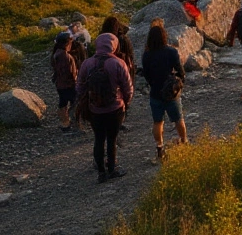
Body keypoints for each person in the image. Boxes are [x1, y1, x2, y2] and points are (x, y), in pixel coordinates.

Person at [76, 33, 133, 183]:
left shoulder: (87, 64)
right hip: (115, 108)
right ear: (113, 45)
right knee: (112, 139)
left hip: (95, 109)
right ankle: (112, 169)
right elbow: (128, 88)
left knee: (98, 139)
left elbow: (80, 86)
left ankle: (101, 172)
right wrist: (126, 103)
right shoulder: (119, 63)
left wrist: (85, 101)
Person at [141, 22, 188, 160]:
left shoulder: (147, 55)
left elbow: (146, 74)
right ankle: (184, 141)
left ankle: (160, 146)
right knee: (178, 119)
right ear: (164, 36)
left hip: (155, 92)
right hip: (170, 92)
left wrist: (153, 84)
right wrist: (179, 81)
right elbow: (180, 70)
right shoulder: (171, 52)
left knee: (157, 122)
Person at [50, 32, 79, 132]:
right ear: (67, 44)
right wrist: (75, 80)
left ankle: (64, 123)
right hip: (68, 85)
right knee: (75, 103)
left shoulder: (56, 53)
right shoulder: (65, 56)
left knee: (63, 103)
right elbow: (69, 72)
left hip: (60, 85)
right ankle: (72, 123)